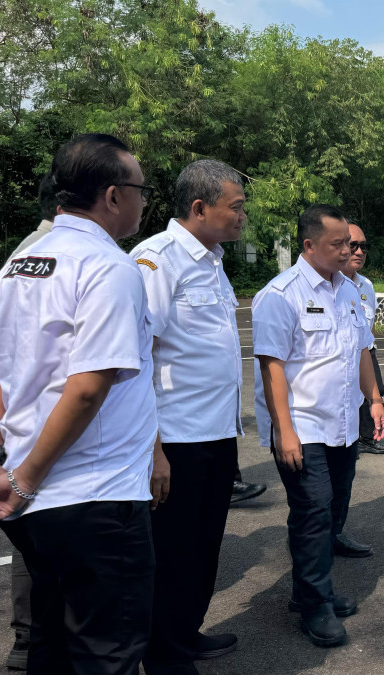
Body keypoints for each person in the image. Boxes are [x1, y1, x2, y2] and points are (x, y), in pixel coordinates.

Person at [0, 132, 158, 675]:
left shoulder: (19, 265)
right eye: (141, 189)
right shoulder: (108, 268)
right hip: (95, 497)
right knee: (108, 651)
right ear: (113, 195)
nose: (144, 201)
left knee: (50, 645)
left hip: (34, 503)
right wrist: (24, 477)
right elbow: (87, 388)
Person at [129, 159, 248, 674]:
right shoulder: (156, 260)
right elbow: (136, 358)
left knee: (205, 545)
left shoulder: (213, 260)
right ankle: (163, 654)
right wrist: (152, 449)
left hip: (216, 431)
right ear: (199, 208)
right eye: (236, 207)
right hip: (174, 437)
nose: (244, 216)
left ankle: (184, 633)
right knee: (173, 553)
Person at [252, 204, 384, 647]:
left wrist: (376, 399)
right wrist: (283, 430)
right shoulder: (280, 294)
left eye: (349, 243)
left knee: (333, 509)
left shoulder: (349, 291)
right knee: (312, 512)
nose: (348, 250)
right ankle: (314, 606)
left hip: (344, 424)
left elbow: (363, 350)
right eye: (338, 244)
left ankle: (312, 589)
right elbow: (272, 367)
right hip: (302, 426)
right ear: (309, 246)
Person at [0, 172, 58, 671]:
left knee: (32, 538)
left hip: (21, 426)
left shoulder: (21, 255)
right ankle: (32, 636)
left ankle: (29, 637)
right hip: (48, 432)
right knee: (40, 541)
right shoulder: (57, 255)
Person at [345, 219, 384, 459]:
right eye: (353, 246)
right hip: (344, 352)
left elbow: (369, 321)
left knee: (375, 391)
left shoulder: (366, 285)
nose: (359, 252)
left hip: (365, 350)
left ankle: (367, 436)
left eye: (363, 246)